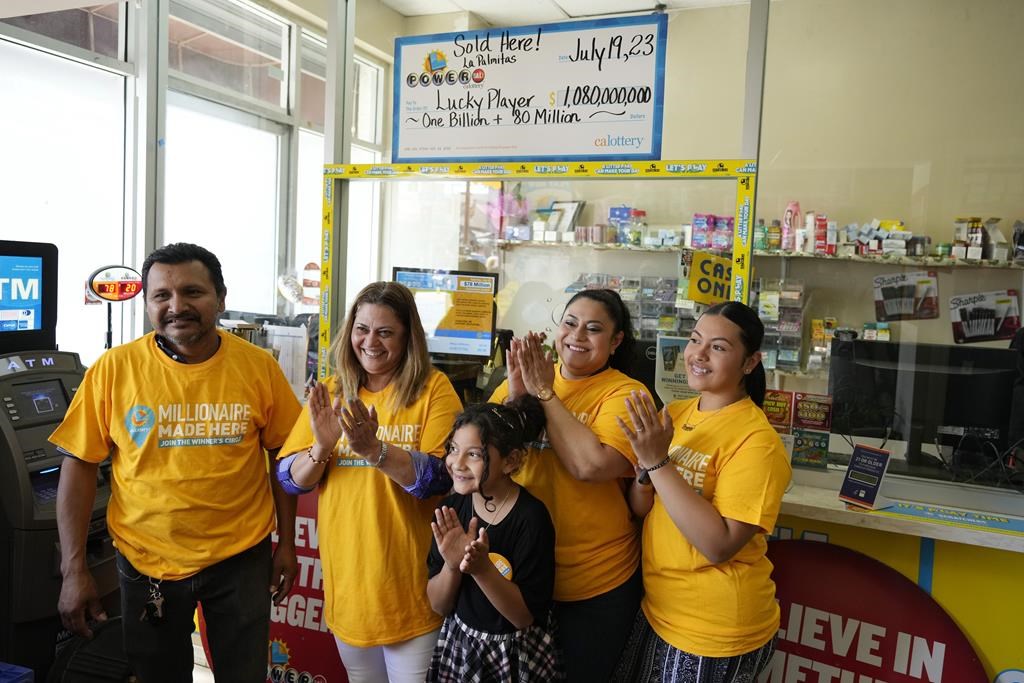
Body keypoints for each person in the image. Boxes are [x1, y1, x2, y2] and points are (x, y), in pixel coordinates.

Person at [50, 242, 302, 681]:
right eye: (161, 296)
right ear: (146, 303)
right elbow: (79, 465)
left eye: (192, 292)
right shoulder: (114, 370)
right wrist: (74, 570)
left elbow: (284, 456)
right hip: (146, 560)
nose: (176, 306)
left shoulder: (259, 368)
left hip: (241, 557)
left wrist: (286, 544)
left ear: (221, 298)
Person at [277, 281, 462, 683]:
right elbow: (289, 480)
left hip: (413, 592)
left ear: (407, 337)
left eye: (385, 332)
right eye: (362, 329)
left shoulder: (434, 390)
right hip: (350, 591)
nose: (370, 342)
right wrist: (322, 447)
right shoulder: (331, 391)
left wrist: (374, 450)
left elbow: (440, 477)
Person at [613, 301, 791, 683]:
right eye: (695, 340)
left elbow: (720, 544)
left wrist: (659, 464)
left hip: (714, 628)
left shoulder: (757, 441)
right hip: (658, 608)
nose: (699, 354)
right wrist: (646, 473)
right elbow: (642, 507)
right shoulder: (675, 413)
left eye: (719, 347)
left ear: (749, 363)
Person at [489, 288, 649, 682]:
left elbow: (589, 465)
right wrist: (516, 395)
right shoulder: (527, 381)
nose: (577, 336)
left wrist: (544, 394)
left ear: (615, 342)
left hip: (594, 585)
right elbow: (486, 463)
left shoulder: (626, 394)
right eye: (571, 323)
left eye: (593, 329)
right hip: (520, 576)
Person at [426, 396, 562, 682]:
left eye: (474, 454)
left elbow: (523, 618)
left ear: (511, 460)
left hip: (513, 655)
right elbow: (438, 605)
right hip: (460, 646)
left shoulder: (531, 518)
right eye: (453, 449)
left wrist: (482, 569)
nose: (457, 463)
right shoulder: (451, 509)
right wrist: (452, 566)